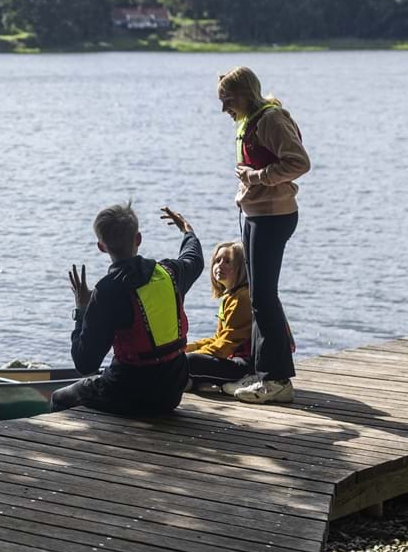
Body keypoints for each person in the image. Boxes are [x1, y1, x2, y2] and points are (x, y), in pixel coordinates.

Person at [50, 203, 203, 416]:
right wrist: (187, 231)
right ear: (138, 239)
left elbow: (84, 363)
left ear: (101, 247)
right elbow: (194, 258)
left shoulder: (106, 291)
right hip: (172, 391)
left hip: (128, 393)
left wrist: (82, 309)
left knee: (59, 397)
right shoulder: (169, 273)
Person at [218, 66, 310, 403]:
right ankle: (260, 371)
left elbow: (299, 162)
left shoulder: (270, 119)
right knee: (257, 295)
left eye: (228, 100)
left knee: (263, 296)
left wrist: (256, 177)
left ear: (245, 94)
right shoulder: (249, 119)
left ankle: (278, 380)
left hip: (275, 216)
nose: (224, 108)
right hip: (256, 214)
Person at [185, 241, 253, 391]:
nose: (220, 265)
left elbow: (227, 343)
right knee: (187, 355)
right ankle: (194, 380)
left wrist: (195, 355)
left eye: (228, 261)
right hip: (232, 357)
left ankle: (190, 379)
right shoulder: (231, 296)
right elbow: (220, 338)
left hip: (245, 366)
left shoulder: (242, 297)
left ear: (241, 267)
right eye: (217, 260)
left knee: (190, 362)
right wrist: (193, 346)